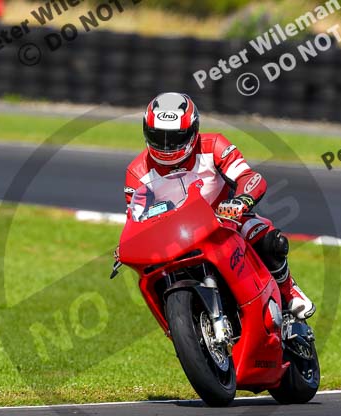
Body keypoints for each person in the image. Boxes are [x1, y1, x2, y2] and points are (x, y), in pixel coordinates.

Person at [124, 92, 315, 320]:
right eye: (159, 136)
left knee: (268, 240)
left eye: (175, 138)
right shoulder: (136, 172)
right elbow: (135, 217)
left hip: (226, 220)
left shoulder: (214, 145)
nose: (166, 146)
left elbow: (248, 177)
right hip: (175, 238)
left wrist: (241, 201)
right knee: (153, 276)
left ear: (193, 131)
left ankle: (288, 290)